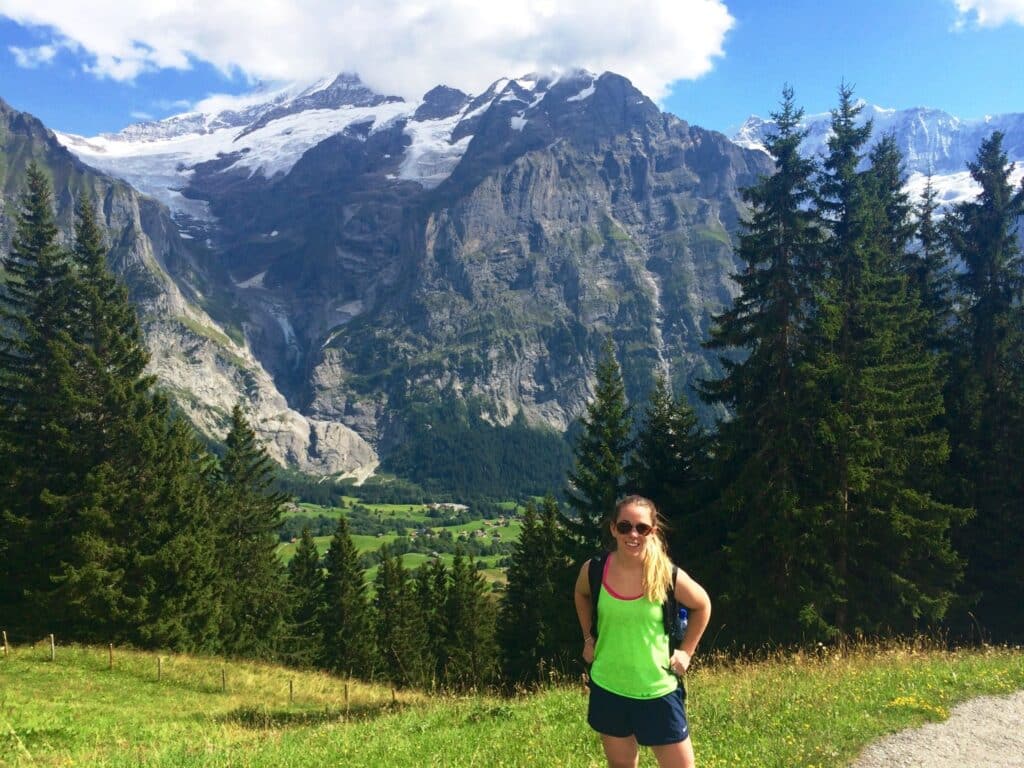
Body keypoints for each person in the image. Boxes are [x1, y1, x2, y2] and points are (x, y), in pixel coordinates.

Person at [574, 495, 711, 768]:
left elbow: (702, 605)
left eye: (642, 528)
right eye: (625, 527)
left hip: (658, 690)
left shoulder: (666, 575)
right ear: (613, 529)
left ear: (653, 531)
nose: (632, 534)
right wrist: (588, 639)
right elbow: (581, 594)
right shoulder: (595, 570)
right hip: (609, 687)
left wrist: (686, 652)